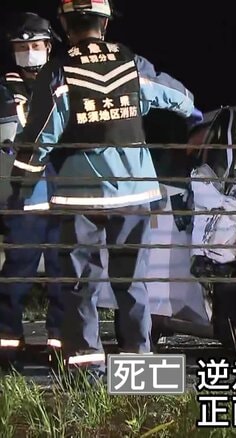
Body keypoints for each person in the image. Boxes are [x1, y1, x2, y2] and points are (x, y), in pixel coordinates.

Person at [10, 0, 200, 380]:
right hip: (135, 192)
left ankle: (87, 369)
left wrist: (21, 184)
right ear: (105, 23)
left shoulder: (58, 71)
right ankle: (140, 366)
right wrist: (195, 119)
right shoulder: (133, 63)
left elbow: (40, 136)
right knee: (133, 282)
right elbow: (180, 99)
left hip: (78, 196)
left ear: (64, 26)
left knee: (81, 283)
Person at [0, 12, 64, 372]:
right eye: (21, 46)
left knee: (64, 276)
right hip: (25, 200)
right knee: (17, 274)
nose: (28, 52)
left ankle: (60, 346)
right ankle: (7, 347)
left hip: (66, 197)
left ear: (48, 46)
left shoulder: (63, 82)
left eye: (35, 45)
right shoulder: (4, 91)